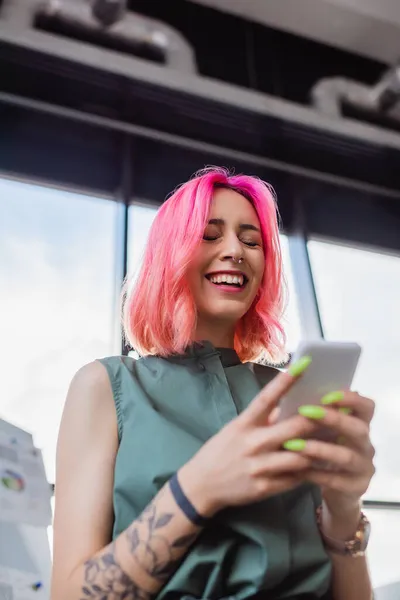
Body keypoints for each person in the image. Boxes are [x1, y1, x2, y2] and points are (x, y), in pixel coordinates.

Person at [51, 167, 376, 600]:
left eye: (251, 240)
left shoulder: (289, 395)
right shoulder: (106, 387)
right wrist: (198, 487)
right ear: (171, 254)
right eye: (210, 234)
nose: (235, 251)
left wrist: (344, 508)